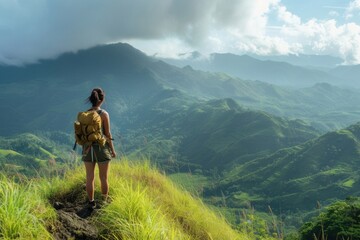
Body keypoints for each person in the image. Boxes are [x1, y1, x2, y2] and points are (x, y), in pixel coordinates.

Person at [82, 87, 116, 209]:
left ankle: (91, 202)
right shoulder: (104, 114)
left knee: (89, 177)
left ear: (91, 100)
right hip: (101, 149)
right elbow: (108, 134)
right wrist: (112, 150)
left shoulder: (85, 114)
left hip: (87, 149)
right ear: (101, 100)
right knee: (103, 177)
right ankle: (103, 203)